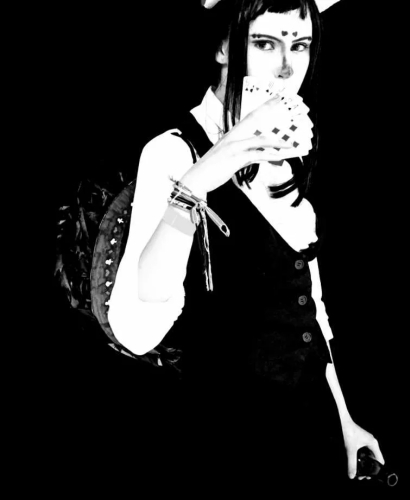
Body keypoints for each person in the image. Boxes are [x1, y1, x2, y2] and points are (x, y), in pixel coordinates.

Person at [107, 0, 385, 493]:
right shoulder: (173, 152)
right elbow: (137, 326)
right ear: (223, 47)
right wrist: (197, 182)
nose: (287, 68)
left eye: (300, 45)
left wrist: (344, 419)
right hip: (230, 443)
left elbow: (310, 309)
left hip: (313, 430)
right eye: (265, 44)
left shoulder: (292, 156)